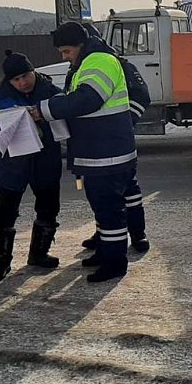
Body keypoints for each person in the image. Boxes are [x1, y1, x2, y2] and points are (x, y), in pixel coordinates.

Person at [32, 22, 137, 283]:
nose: (64, 57)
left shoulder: (99, 61)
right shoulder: (89, 62)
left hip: (107, 153)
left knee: (110, 211)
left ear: (80, 45)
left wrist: (46, 109)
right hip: (100, 151)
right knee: (102, 209)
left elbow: (87, 99)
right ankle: (105, 252)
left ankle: (115, 263)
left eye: (67, 51)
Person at [0, 50, 63, 282]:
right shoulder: (1, 96)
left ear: (33, 71)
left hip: (45, 157)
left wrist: (44, 117)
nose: (22, 83)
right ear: (9, 81)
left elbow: (63, 116)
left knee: (49, 206)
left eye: (25, 76)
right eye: (16, 79)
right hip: (13, 161)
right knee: (5, 211)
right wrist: (6, 126)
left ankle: (39, 253)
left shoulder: (50, 91)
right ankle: (1, 261)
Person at [78, 22, 151, 256]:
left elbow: (142, 95)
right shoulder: (82, 66)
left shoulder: (115, 63)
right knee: (100, 195)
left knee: (129, 192)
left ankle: (138, 234)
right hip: (97, 144)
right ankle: (104, 234)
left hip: (117, 142)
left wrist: (126, 121)